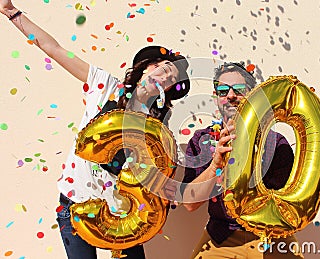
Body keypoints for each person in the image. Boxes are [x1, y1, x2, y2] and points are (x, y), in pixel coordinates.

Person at [1, 2, 190, 258]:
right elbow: (54, 49)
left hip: (123, 215)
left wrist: (165, 191)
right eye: (164, 69)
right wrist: (12, 12)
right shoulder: (106, 87)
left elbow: (154, 169)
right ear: (146, 66)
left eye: (172, 79)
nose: (167, 78)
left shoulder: (158, 122)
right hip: (75, 205)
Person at [181, 62, 320, 258]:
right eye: (222, 91)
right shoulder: (201, 141)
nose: (230, 96)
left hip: (273, 239)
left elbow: (293, 202)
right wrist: (216, 164)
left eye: (238, 90)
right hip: (221, 239)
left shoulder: (277, 143)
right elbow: (189, 204)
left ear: (252, 95)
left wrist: (319, 193)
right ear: (216, 98)